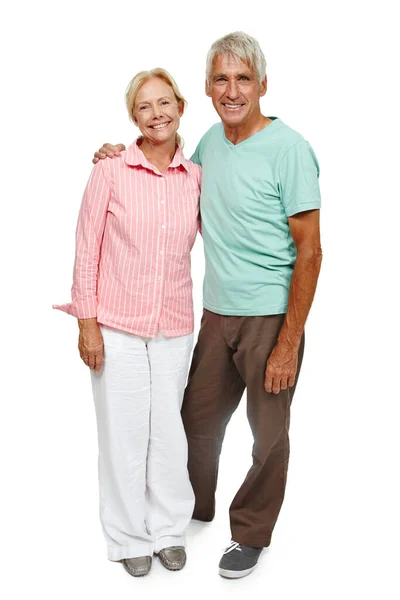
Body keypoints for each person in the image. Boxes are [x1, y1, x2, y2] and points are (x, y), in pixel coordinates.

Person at [93, 31, 323, 579]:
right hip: (215, 316)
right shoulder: (208, 149)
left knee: (268, 435)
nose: (233, 89)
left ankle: (250, 532)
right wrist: (113, 155)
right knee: (193, 423)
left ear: (263, 84)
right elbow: (166, 180)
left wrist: (289, 342)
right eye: (221, 78)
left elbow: (311, 250)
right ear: (207, 89)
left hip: (271, 316)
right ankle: (187, 513)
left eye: (243, 78)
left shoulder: (290, 148)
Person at [53, 68, 202, 578]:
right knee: (122, 431)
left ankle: (168, 530)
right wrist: (85, 323)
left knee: (168, 431)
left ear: (181, 107)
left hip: (175, 323)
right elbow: (85, 249)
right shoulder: (111, 169)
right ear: (132, 116)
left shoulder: (196, 174)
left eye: (165, 103)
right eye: (145, 106)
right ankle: (127, 536)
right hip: (115, 323)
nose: (157, 113)